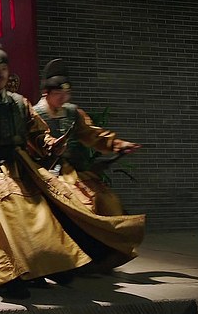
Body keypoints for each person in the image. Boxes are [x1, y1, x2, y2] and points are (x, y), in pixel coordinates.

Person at [0, 43, 95, 298]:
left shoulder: (20, 103)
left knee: (41, 212)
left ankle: (47, 265)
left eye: (3, 68)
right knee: (5, 215)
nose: (0, 73)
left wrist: (50, 143)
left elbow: (37, 132)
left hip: (19, 167)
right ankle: (8, 276)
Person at [33, 58, 141, 216]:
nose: (63, 98)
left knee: (107, 202)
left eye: (67, 94)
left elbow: (92, 134)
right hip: (43, 172)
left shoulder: (73, 113)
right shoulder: (34, 114)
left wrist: (116, 144)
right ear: (46, 93)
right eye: (58, 94)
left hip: (72, 172)